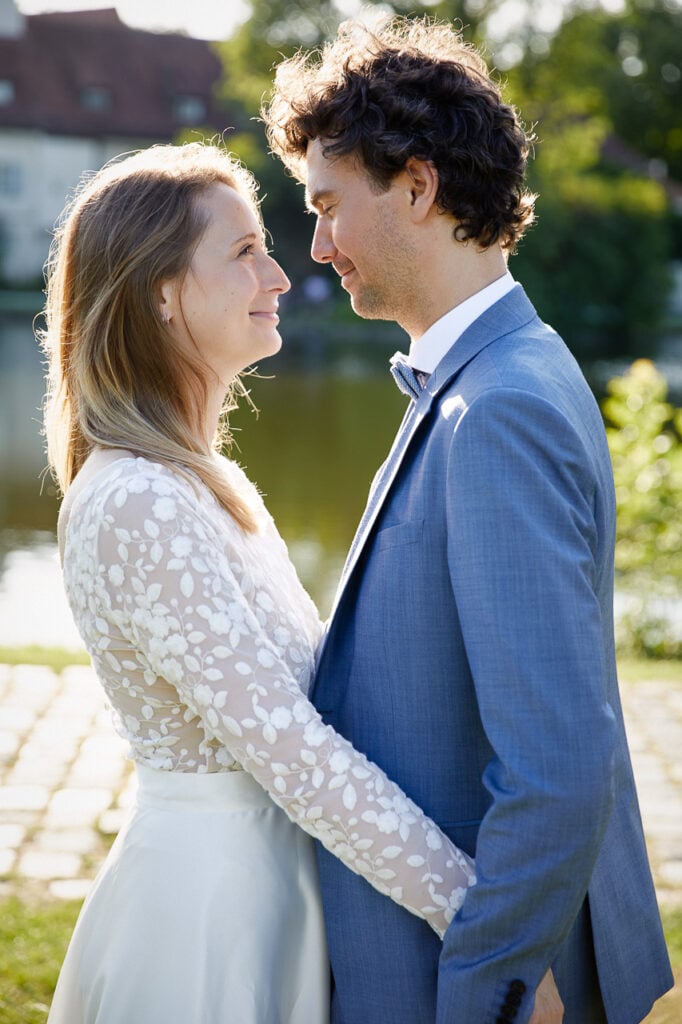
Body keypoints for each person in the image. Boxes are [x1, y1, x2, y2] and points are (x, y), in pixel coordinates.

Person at [263, 16, 674, 1024]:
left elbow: (557, 769)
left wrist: (483, 992)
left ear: (417, 187)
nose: (316, 247)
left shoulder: (499, 409)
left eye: (328, 207)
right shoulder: (492, 374)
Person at [40, 140, 487, 1024]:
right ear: (162, 292)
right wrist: (478, 916)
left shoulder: (205, 482)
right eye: (245, 253)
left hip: (274, 890)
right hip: (211, 919)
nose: (280, 277)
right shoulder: (138, 502)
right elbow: (298, 756)